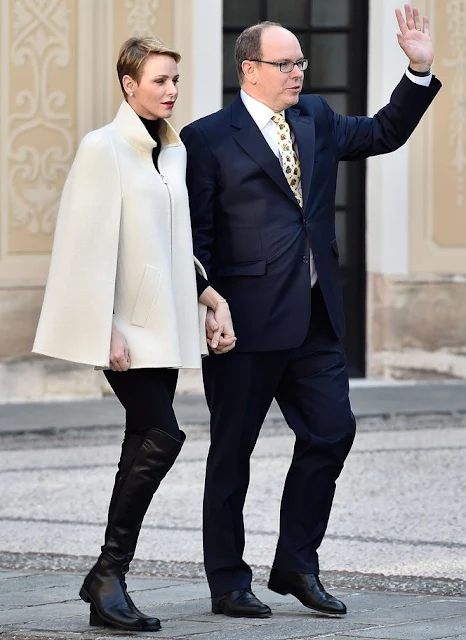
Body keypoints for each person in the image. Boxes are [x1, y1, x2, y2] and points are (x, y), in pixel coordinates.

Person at [181, 5, 440, 619]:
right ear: (250, 70)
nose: (298, 72)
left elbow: (382, 133)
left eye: (301, 61)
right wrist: (208, 303)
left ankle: (297, 563)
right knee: (232, 455)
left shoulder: (317, 118)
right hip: (244, 324)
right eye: (285, 63)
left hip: (316, 319)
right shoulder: (208, 137)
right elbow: (197, 235)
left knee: (332, 432)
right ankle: (228, 582)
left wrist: (419, 70)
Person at [33, 35, 235, 632]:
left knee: (145, 435)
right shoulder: (104, 148)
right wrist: (106, 329)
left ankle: (107, 583)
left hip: (164, 325)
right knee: (163, 435)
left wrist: (211, 298)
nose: (171, 91)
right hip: (125, 329)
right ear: (129, 85)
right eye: (159, 81)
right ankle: (108, 572)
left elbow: (174, 243)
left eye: (175, 80)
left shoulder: (171, 152)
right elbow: (82, 244)